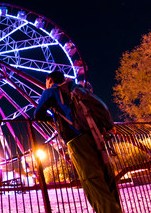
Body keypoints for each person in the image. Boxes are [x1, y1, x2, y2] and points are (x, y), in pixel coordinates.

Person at [34, 71, 122, 213]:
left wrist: (53, 119)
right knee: (106, 176)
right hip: (94, 133)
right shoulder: (75, 88)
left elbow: (37, 114)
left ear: (49, 80)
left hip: (76, 138)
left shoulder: (51, 91)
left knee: (91, 179)